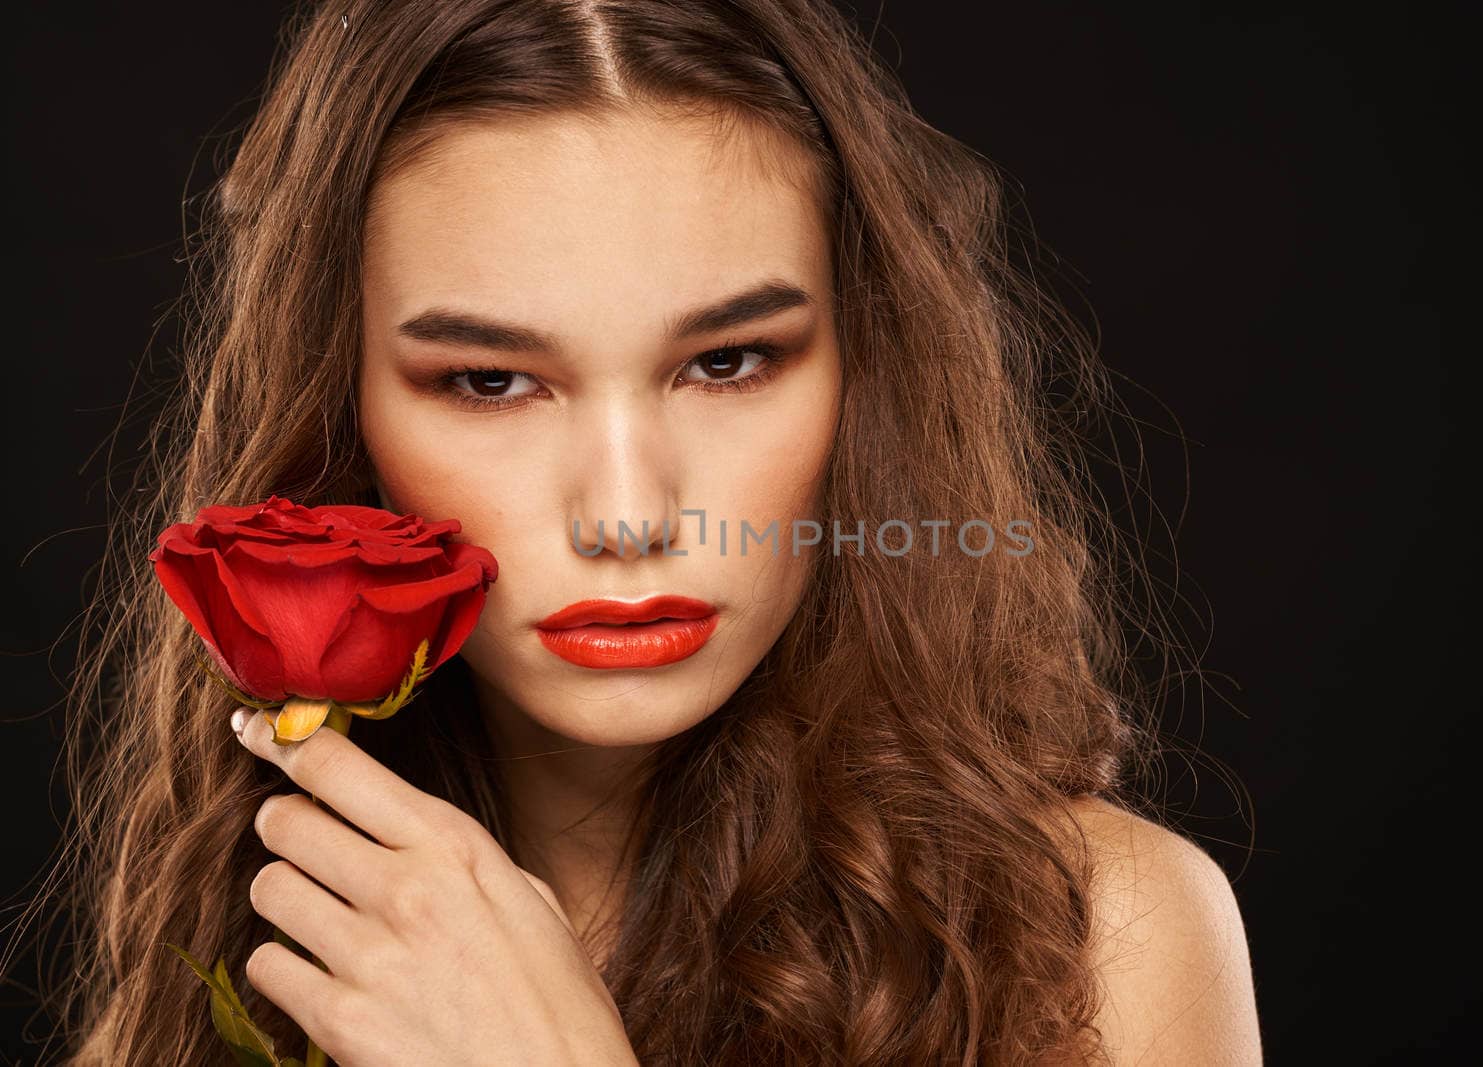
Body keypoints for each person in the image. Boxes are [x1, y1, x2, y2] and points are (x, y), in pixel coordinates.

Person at [28, 1, 1261, 1062]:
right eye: (488, 381)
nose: (627, 514)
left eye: (727, 362)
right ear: (340, 408)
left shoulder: (1099, 934)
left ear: (862, 369)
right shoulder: (234, 952)